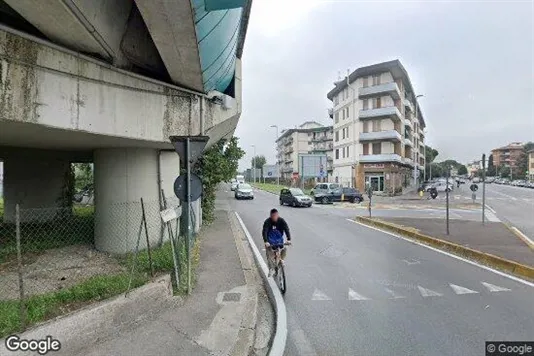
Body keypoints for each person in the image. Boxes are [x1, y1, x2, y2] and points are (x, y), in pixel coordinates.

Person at [262, 208, 291, 276]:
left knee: (285, 248)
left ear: (278, 215)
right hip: (270, 241)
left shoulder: (281, 220)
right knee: (269, 254)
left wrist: (289, 239)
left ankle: (281, 260)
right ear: (270, 216)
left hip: (279, 239)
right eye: (273, 216)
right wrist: (266, 241)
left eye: (276, 216)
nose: (274, 217)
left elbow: (286, 229)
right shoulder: (267, 221)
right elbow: (264, 231)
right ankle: (271, 268)